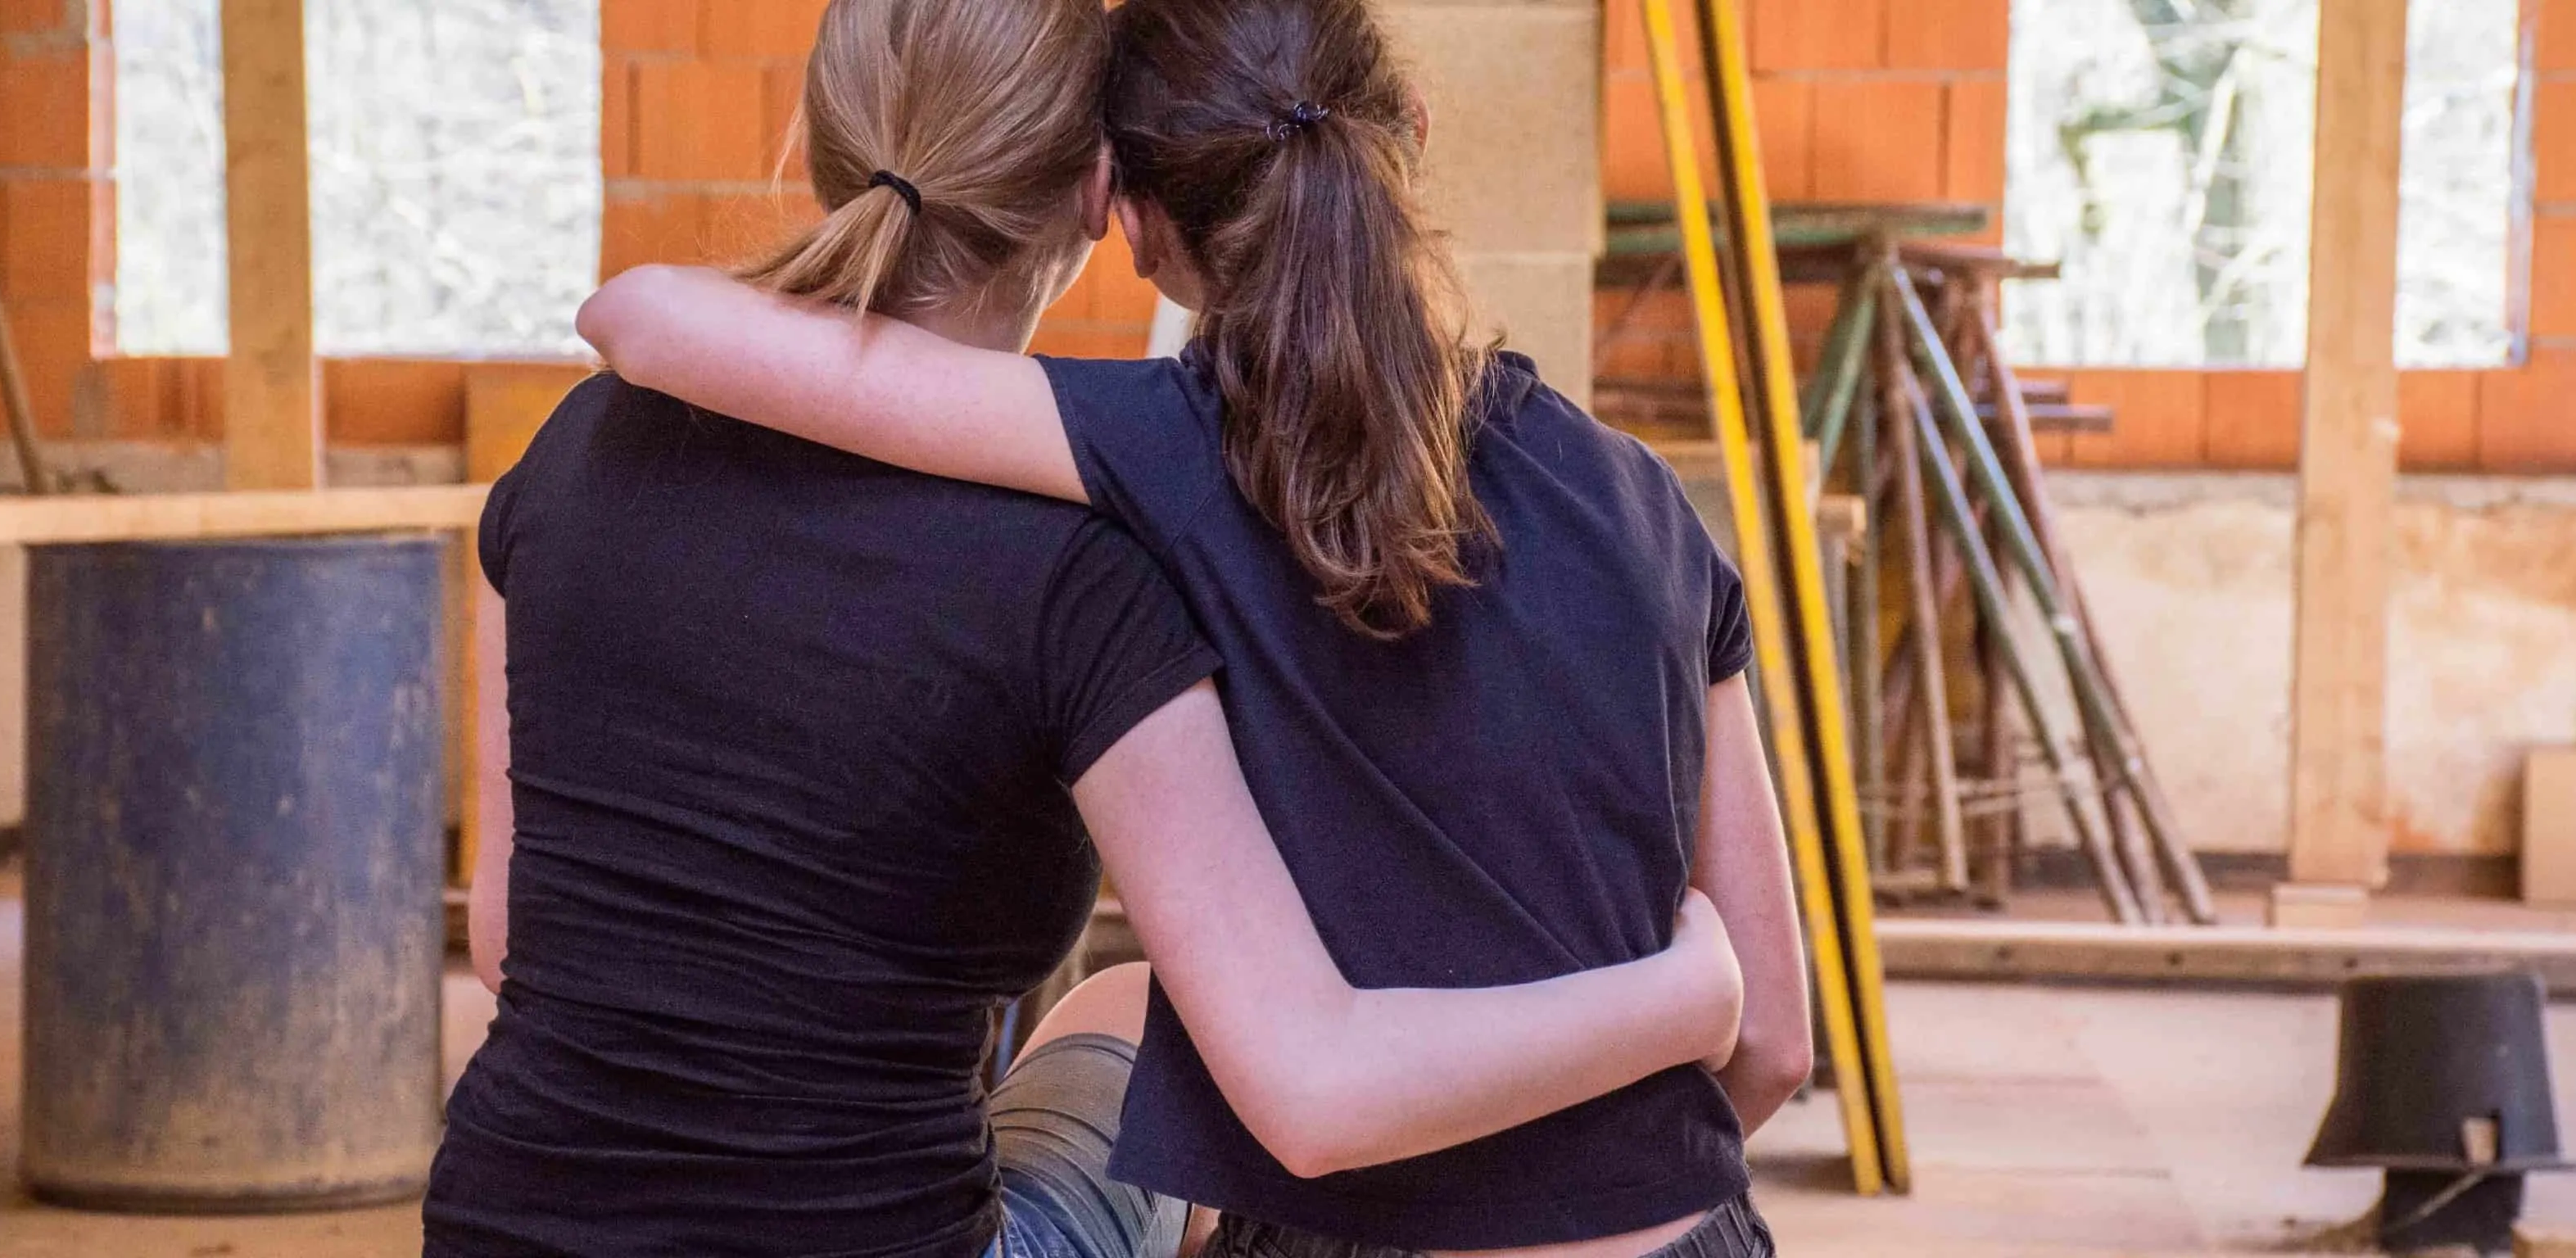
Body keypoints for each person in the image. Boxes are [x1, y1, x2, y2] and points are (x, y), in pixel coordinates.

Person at [428, 0, 1755, 1255]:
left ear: (825, 128)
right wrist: (1688, 991)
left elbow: (506, 943)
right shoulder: (1086, 563)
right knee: (1150, 1033)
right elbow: (1309, 1076)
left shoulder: (568, 455)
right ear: (1098, 193)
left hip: (500, 1224)